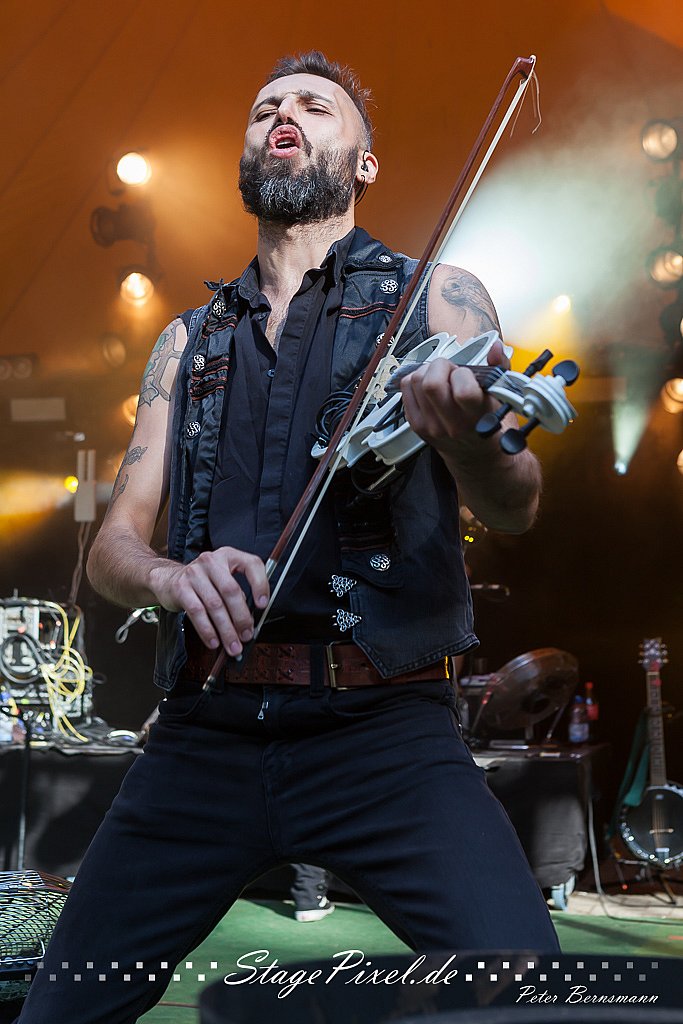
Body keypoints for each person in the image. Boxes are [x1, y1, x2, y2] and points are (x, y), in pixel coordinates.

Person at [16, 49, 559, 1024]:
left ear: (363, 163)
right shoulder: (186, 339)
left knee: (530, 996)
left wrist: (470, 436)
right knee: (62, 1009)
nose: (284, 114)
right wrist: (172, 579)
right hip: (205, 732)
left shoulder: (436, 298)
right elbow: (112, 551)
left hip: (383, 733)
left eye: (315, 106)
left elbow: (515, 502)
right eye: (267, 105)